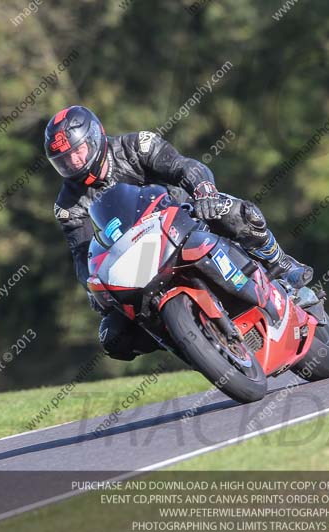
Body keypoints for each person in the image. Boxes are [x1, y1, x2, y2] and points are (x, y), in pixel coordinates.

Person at [44, 105, 313, 361]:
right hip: (137, 262)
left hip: (185, 219)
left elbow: (185, 167)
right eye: (64, 159)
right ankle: (193, 343)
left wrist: (205, 193)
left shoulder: (136, 146)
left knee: (237, 213)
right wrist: (93, 289)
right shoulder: (68, 205)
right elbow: (82, 253)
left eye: (77, 151)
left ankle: (279, 262)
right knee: (113, 337)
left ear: (95, 137)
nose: (74, 161)